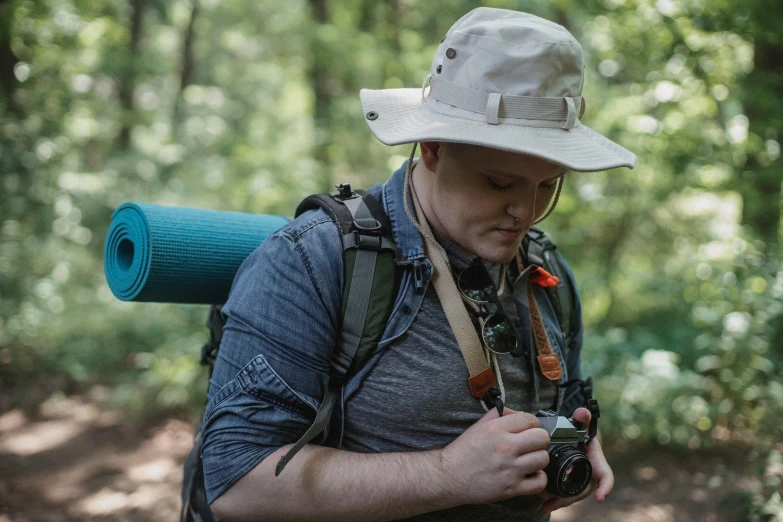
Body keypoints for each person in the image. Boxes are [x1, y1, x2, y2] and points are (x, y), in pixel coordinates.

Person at [201, 7, 637, 522]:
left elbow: (569, 406)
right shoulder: (315, 262)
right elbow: (235, 482)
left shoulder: (545, 271)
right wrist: (446, 474)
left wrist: (573, 446)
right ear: (432, 148)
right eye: (499, 183)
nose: (524, 211)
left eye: (547, 185)